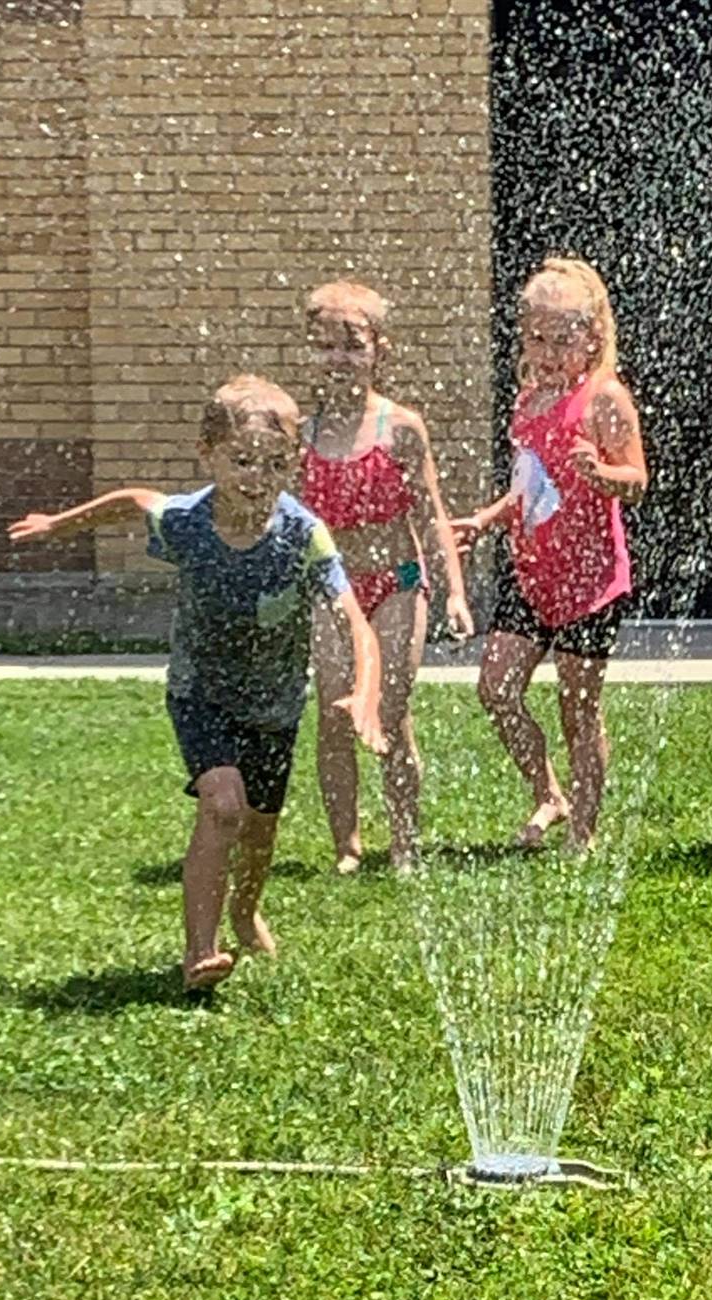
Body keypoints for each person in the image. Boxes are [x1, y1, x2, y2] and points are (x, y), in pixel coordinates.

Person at [9, 375, 386, 989]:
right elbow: (134, 500)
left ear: (294, 464)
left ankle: (245, 910)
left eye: (274, 464)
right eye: (240, 461)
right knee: (223, 805)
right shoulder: (186, 521)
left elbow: (353, 621)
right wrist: (60, 526)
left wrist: (365, 691)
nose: (255, 478)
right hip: (201, 693)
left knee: (261, 833)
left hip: (275, 705)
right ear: (206, 453)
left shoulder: (302, 535)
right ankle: (198, 954)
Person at [455, 256, 647, 853]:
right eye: (536, 337)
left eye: (563, 339)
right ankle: (548, 793)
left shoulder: (604, 398)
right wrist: (487, 520)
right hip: (533, 571)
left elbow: (637, 479)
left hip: (590, 582)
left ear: (593, 336)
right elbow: (530, 488)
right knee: (496, 688)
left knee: (578, 709)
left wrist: (603, 472)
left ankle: (583, 832)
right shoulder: (530, 399)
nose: (547, 351)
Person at [302, 280, 474, 874]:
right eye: (325, 346)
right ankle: (347, 844)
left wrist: (453, 589)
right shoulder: (301, 435)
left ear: (380, 350)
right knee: (333, 711)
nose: (339, 358)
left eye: (351, 344)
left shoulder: (401, 428)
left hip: (398, 583)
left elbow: (430, 514)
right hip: (335, 593)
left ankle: (403, 841)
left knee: (391, 712)